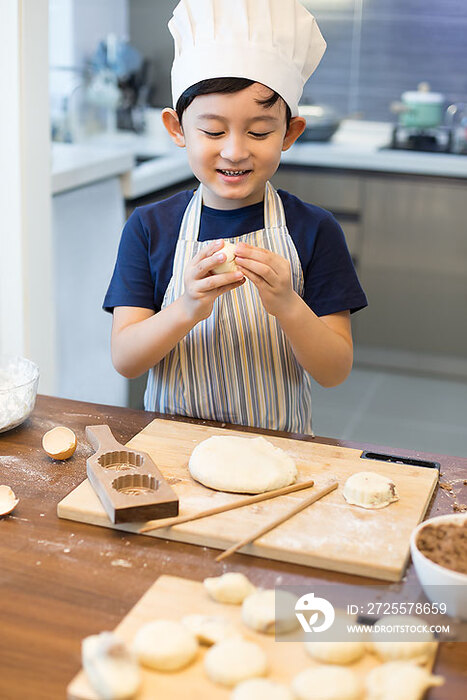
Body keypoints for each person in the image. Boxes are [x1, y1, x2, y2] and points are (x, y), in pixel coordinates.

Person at [104, 0, 367, 435]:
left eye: (260, 131)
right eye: (212, 131)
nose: (235, 151)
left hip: (279, 453)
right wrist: (186, 307)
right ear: (176, 129)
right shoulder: (150, 229)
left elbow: (333, 370)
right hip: (173, 450)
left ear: (290, 133)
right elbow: (126, 361)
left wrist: (287, 305)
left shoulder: (314, 230)